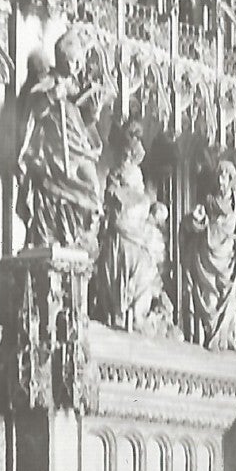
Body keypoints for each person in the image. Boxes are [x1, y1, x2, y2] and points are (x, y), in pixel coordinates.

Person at [16, 30, 106, 251]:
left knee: (93, 188)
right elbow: (32, 111)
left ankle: (76, 233)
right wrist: (50, 96)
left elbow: (83, 122)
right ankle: (63, 234)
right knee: (58, 194)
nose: (76, 67)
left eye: (78, 62)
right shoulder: (47, 82)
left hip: (79, 148)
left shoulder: (75, 86)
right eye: (72, 61)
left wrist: (93, 113)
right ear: (61, 59)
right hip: (55, 151)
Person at [93, 121, 170, 333]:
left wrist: (153, 207)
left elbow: (143, 196)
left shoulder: (137, 174)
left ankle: (136, 312)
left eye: (133, 152)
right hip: (122, 228)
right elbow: (111, 196)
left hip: (137, 227)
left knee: (146, 266)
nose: (129, 156)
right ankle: (121, 310)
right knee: (124, 263)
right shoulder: (116, 173)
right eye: (126, 152)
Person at [180, 159, 236, 351]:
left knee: (231, 299)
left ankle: (226, 337)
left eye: (226, 177)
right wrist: (198, 219)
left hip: (229, 258)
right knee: (209, 299)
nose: (221, 181)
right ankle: (209, 337)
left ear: (232, 180)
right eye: (219, 176)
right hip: (208, 254)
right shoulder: (209, 200)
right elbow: (196, 222)